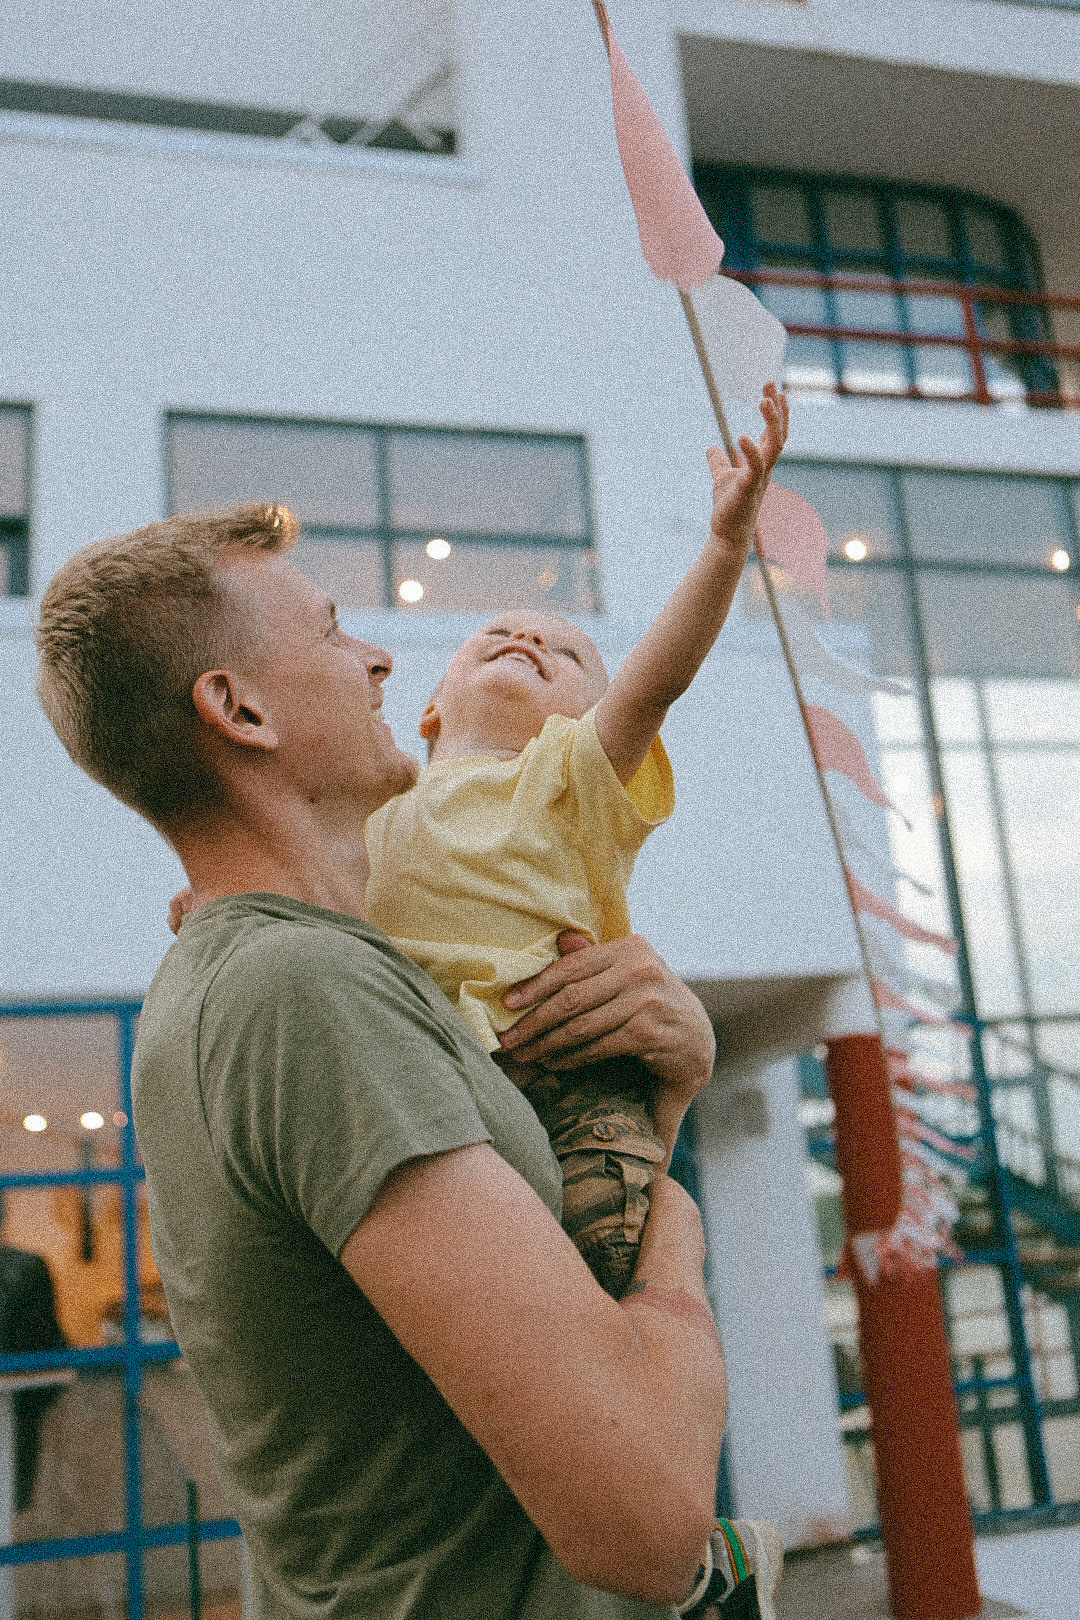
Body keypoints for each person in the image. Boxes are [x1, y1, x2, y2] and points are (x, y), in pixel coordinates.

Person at [33, 504, 773, 1618]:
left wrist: (651, 1086)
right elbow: (653, 1526)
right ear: (239, 710)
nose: (380, 654)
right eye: (333, 632)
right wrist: (675, 1238)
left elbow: (503, 1328)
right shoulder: (304, 995)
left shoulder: (302, 977)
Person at [363, 384, 788, 1306]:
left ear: (597, 715)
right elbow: (302, 884)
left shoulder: (569, 774)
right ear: (430, 710)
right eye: (497, 634)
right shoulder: (379, 800)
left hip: (564, 1058)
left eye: (564, 650)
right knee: (461, 1264)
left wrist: (722, 548)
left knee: (598, 1248)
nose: (526, 636)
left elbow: (657, 679)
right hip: (426, 1068)